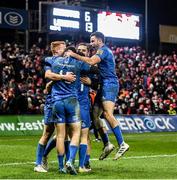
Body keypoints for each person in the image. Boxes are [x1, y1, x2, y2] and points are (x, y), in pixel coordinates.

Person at [66, 31, 129, 160]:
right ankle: (107, 143)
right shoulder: (102, 52)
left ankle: (122, 143)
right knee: (95, 116)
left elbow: (90, 61)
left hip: (109, 84)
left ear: (99, 40)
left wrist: (73, 54)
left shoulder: (103, 50)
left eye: (93, 40)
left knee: (107, 114)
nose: (91, 43)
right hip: (103, 85)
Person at [34, 41, 76, 173]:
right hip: (52, 101)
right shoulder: (50, 61)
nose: (66, 50)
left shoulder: (67, 61)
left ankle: (65, 163)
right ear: (57, 50)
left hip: (64, 100)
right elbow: (47, 75)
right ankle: (38, 163)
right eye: (64, 48)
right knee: (47, 133)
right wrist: (64, 77)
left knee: (64, 135)